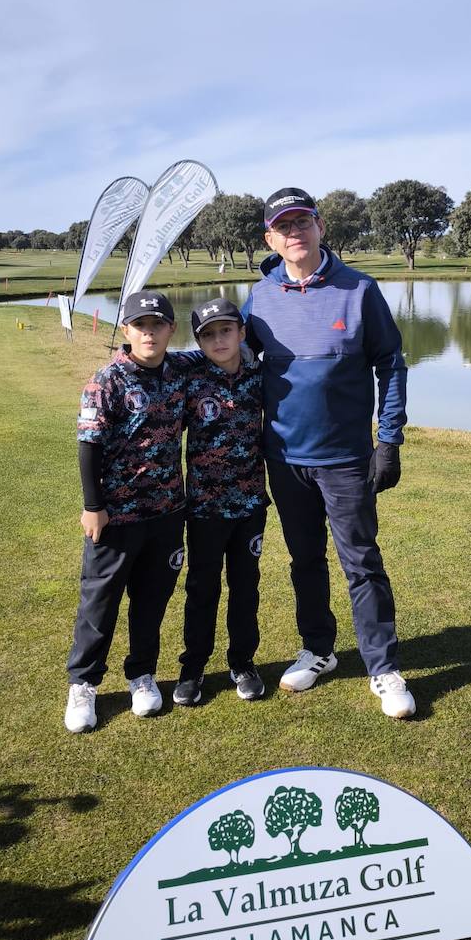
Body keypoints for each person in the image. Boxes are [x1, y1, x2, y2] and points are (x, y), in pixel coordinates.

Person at [242, 188, 415, 719]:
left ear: (320, 228)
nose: (295, 232)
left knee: (361, 562)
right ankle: (319, 650)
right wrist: (134, 359)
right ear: (271, 238)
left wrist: (388, 439)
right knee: (305, 560)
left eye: (303, 222)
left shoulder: (359, 289)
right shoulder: (259, 297)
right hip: (285, 456)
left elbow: (391, 364)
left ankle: (382, 667)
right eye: (283, 226)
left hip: (346, 457)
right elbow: (230, 360)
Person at [63, 291, 189, 733]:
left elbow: (226, 350)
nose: (149, 333)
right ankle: (84, 684)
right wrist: (93, 506)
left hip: (168, 513)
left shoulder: (180, 373)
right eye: (140, 325)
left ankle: (141, 675)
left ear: (172, 329)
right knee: (99, 602)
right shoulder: (107, 380)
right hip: (116, 516)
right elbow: (88, 446)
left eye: (157, 324)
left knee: (151, 602)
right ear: (126, 331)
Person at [172, 298, 269, 707]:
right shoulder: (190, 376)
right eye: (208, 334)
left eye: (226, 330)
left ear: (241, 332)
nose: (219, 340)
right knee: (202, 587)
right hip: (206, 508)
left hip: (250, 504)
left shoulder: (261, 375)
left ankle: (242, 662)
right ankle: (193, 667)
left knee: (245, 586)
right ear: (198, 341)